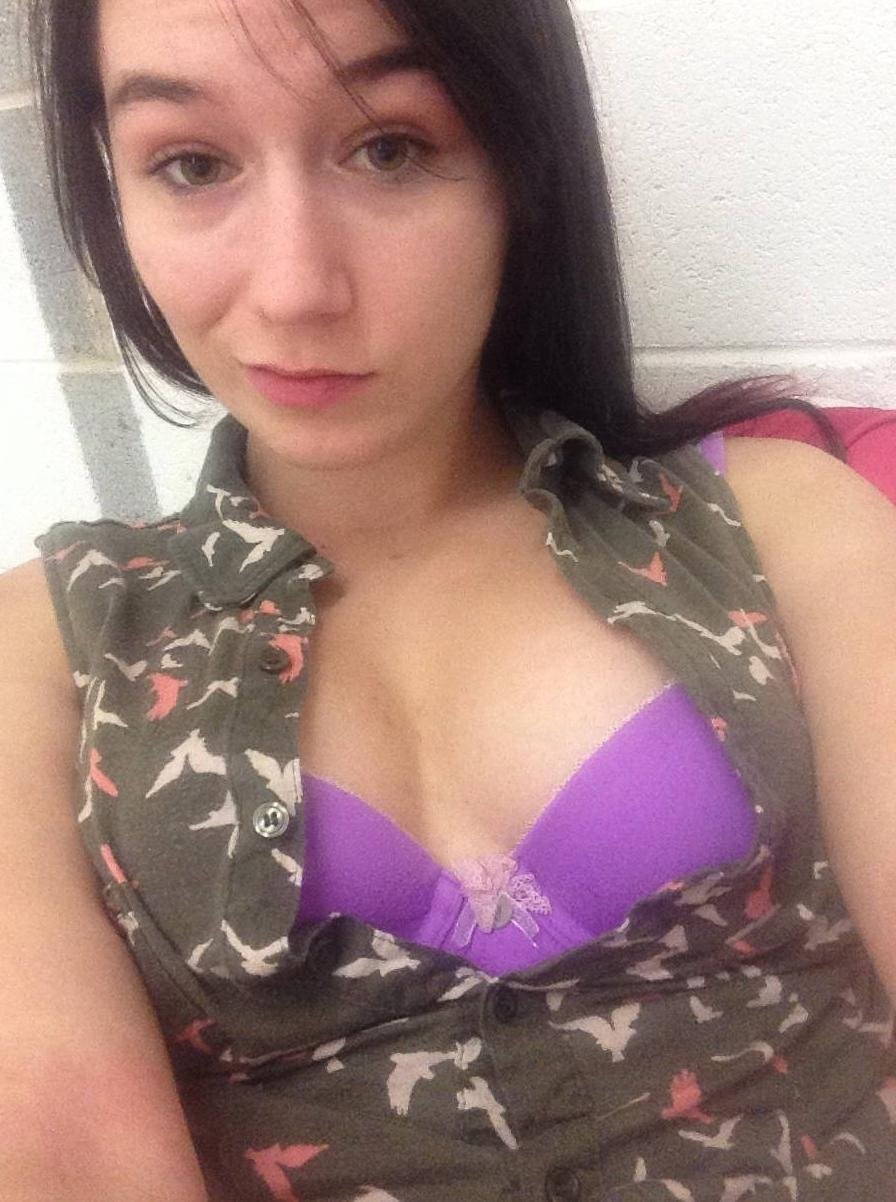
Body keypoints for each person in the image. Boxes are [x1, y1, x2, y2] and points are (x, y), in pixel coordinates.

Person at [3, 0, 895, 1198]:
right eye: (193, 164)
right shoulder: (45, 655)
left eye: (388, 147)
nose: (296, 288)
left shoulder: (781, 526)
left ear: (518, 171)